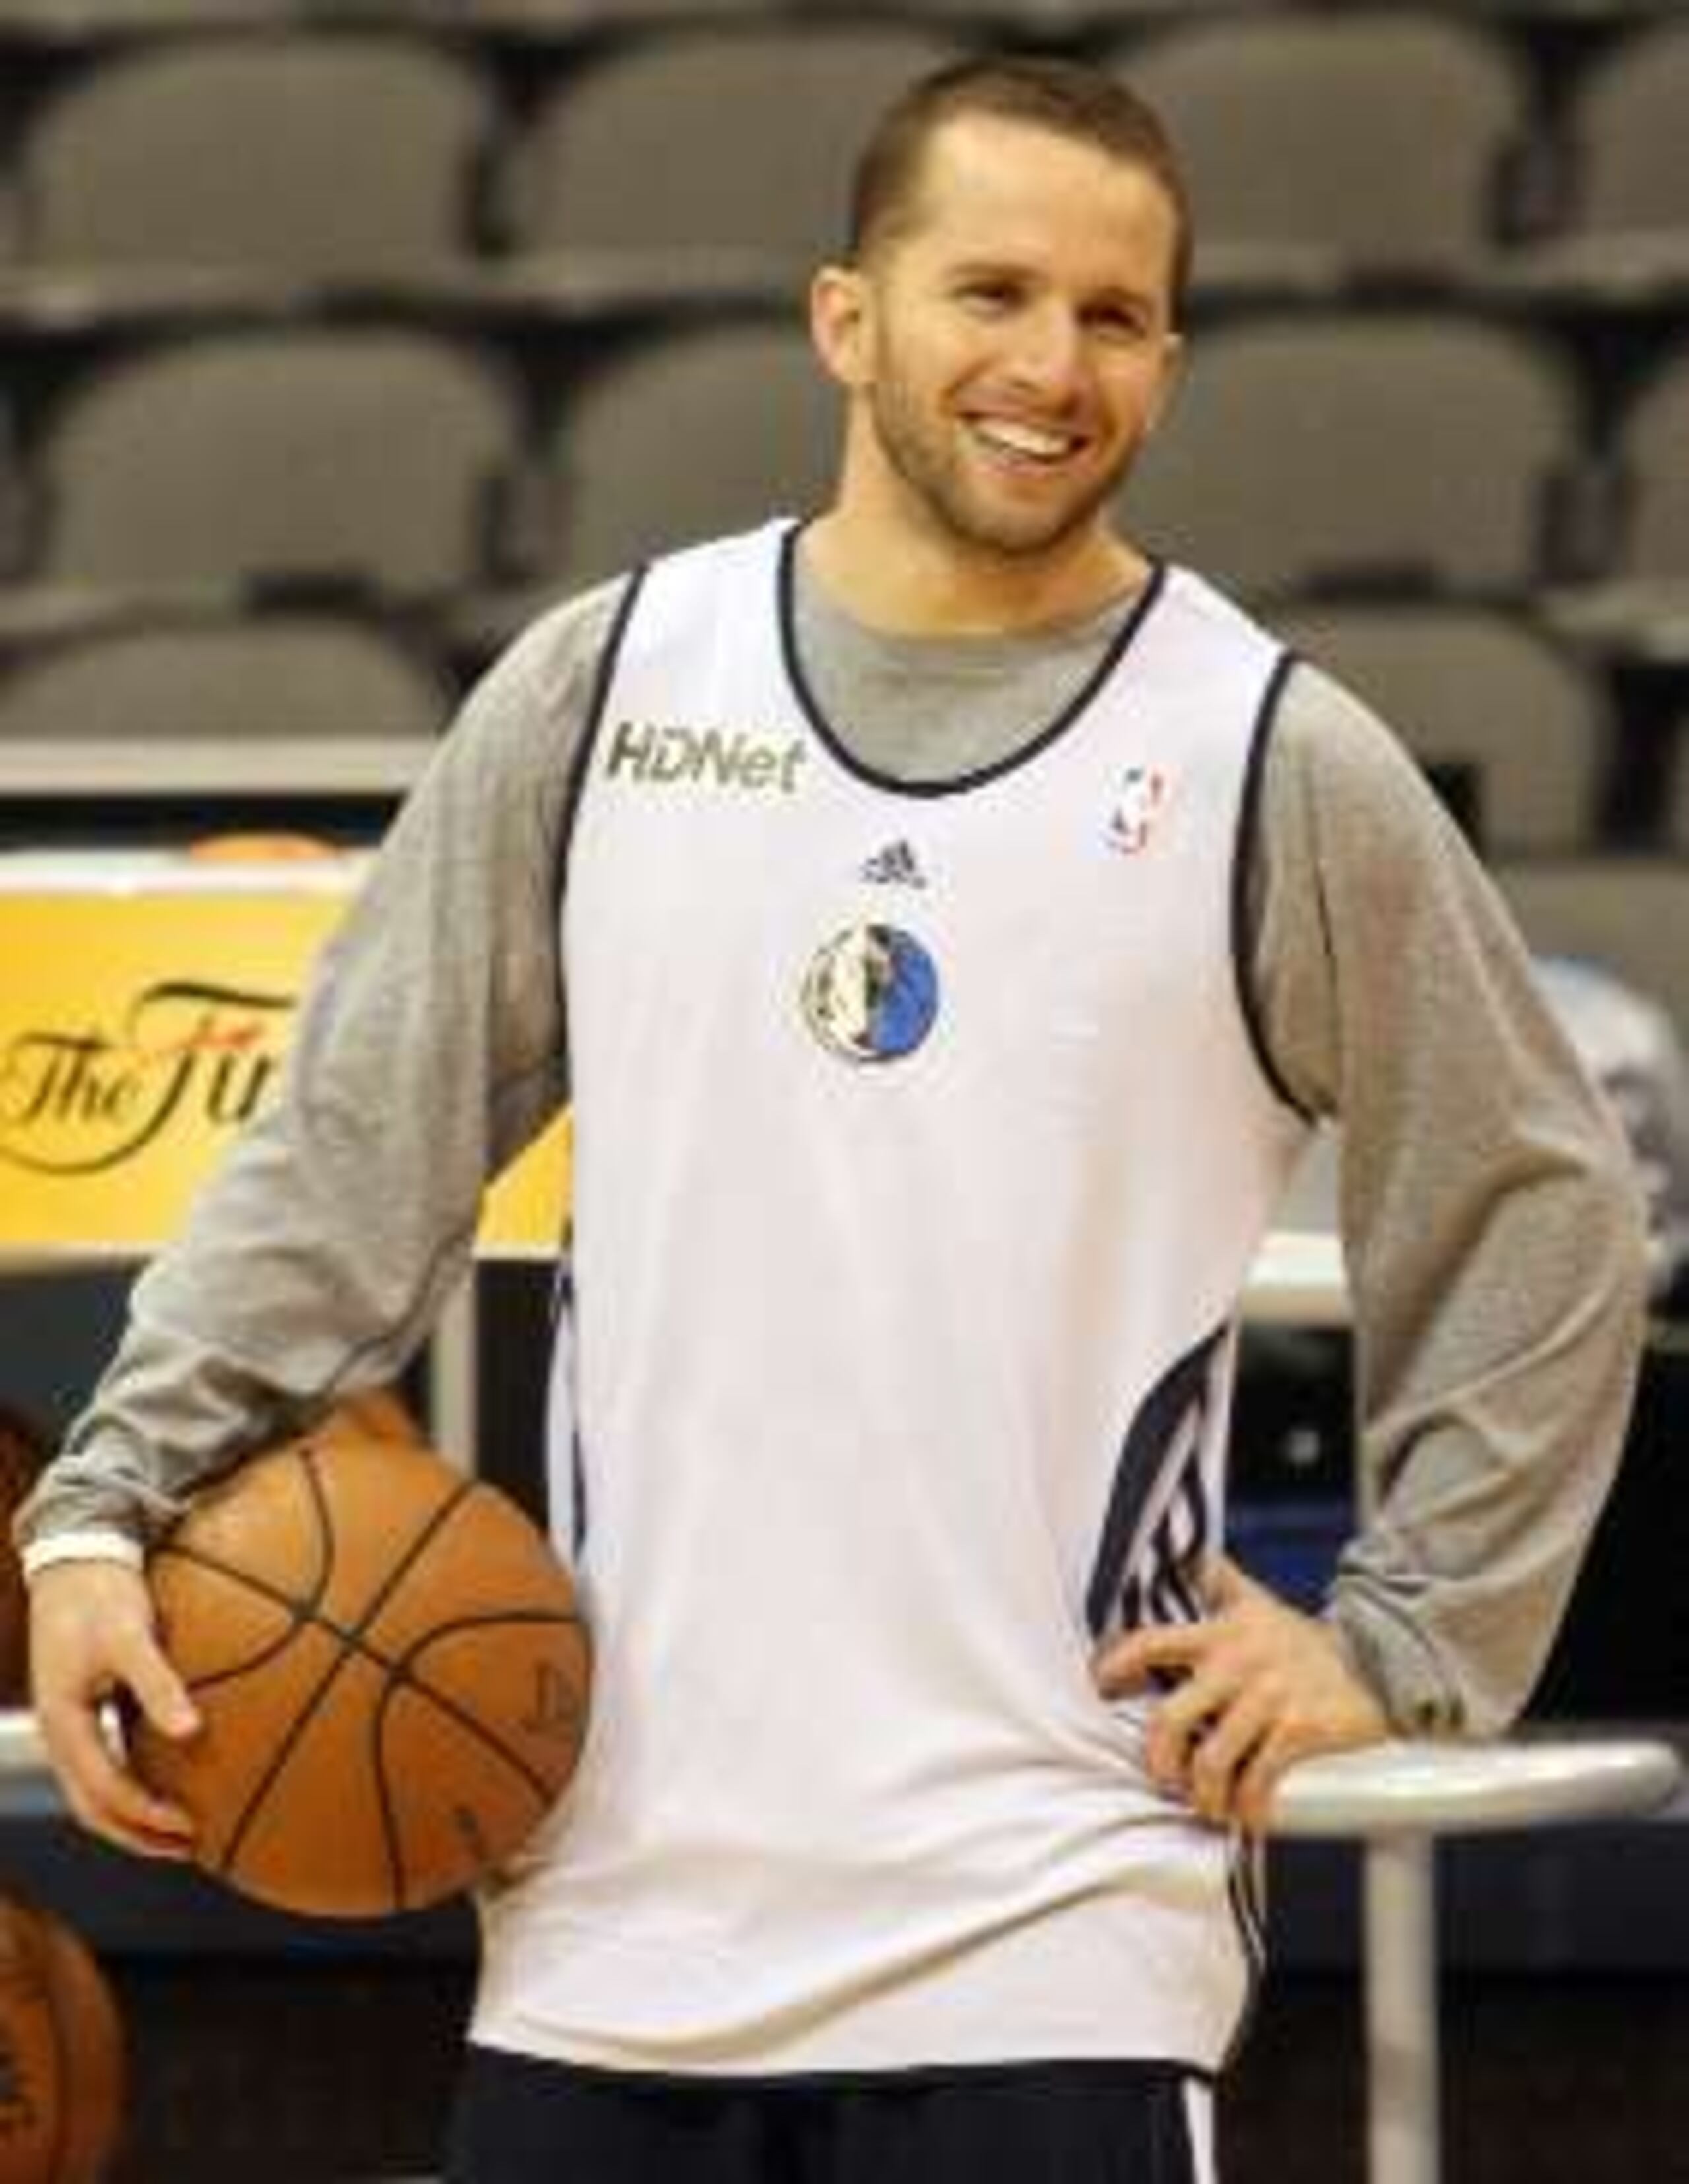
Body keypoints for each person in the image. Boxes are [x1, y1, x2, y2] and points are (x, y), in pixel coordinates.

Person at [16, 55, 1647, 2184]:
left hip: (1055, 1923)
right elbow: (350, 1163)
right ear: (845, 317)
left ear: (1168, 357)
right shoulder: (606, 690)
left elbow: (1544, 1206)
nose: (1051, 368)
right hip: (611, 1922)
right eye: (991, 292)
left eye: (1117, 315)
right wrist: (95, 1510)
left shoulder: (1269, 757)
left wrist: (1414, 1638)